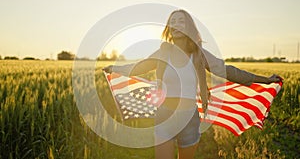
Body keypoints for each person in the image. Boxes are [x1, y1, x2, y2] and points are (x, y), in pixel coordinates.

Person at [103, 9, 282, 159]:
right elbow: (139, 67)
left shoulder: (198, 54)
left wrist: (264, 80)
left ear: (188, 27)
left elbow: (228, 71)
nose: (176, 24)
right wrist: (115, 68)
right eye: (172, 21)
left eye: (181, 21)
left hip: (189, 118)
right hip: (164, 115)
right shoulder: (163, 52)